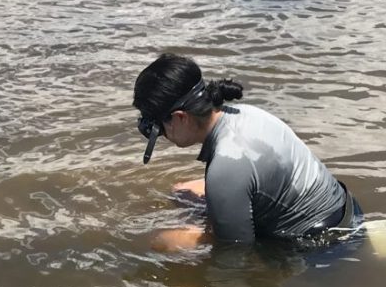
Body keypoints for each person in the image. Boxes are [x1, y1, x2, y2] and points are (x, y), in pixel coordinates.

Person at [133, 53, 361, 250]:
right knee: (181, 191)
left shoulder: (226, 166)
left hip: (322, 244)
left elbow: (235, 251)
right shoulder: (241, 114)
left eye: (156, 128)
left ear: (181, 117)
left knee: (160, 240)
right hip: (344, 208)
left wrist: (162, 240)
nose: (161, 135)